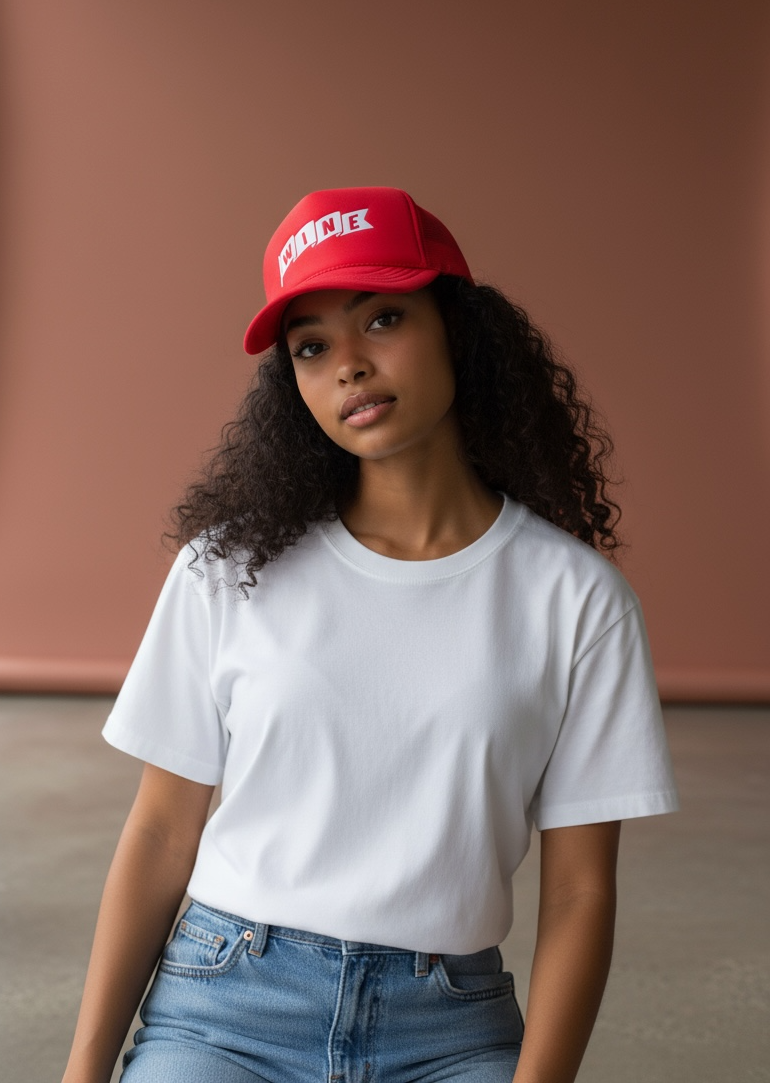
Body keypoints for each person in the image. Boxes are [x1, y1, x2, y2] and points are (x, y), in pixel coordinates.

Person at [61, 186, 679, 1083]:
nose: (348, 364)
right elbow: (161, 831)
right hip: (227, 1008)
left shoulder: (576, 600)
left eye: (382, 318)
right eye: (312, 347)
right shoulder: (227, 570)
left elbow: (581, 890)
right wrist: (84, 1071)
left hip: (450, 1030)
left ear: (459, 332)